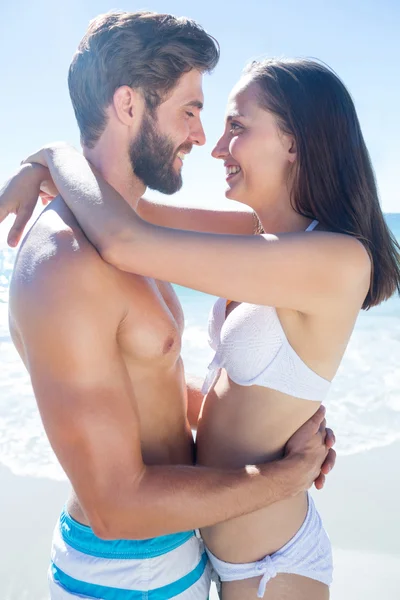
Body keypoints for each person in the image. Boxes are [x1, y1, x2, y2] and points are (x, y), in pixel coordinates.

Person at [7, 56, 400, 600]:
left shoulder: (338, 260)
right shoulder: (255, 235)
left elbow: (125, 241)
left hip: (271, 565)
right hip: (210, 544)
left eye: (236, 127)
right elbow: (126, 212)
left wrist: (54, 154)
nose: (215, 147)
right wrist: (42, 174)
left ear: (294, 142)